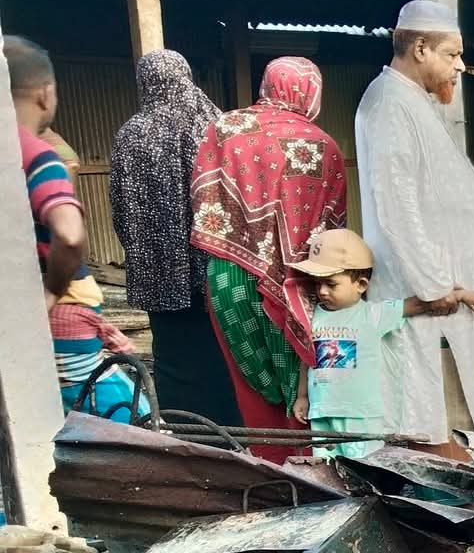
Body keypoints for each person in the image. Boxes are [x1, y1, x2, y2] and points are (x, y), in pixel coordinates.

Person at [356, 0, 474, 459]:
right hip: (435, 292)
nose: (461, 66)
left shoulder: (409, 100)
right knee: (437, 410)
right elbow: (397, 206)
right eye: (452, 54)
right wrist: (435, 285)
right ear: (419, 48)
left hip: (456, 284)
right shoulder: (388, 106)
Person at [190, 55, 345, 453]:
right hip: (303, 282)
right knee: (316, 378)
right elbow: (332, 233)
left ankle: (268, 471)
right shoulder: (324, 146)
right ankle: (317, 470)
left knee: (250, 390)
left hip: (229, 275)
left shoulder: (225, 128)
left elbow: (202, 199)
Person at [7, 35, 147, 422]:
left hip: (18, 321)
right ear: (45, 93)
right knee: (123, 415)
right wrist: (50, 292)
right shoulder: (33, 154)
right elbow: (69, 234)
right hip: (60, 317)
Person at [112, 50, 236, 425]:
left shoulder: (130, 134)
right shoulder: (207, 125)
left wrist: (143, 253)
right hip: (208, 271)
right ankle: (228, 435)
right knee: (219, 358)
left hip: (158, 276)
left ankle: (184, 435)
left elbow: (120, 209)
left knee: (173, 357)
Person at [285, 228, 474, 459]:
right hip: (322, 413)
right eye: (318, 284)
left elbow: (418, 305)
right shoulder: (312, 316)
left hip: (361, 415)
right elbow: (307, 357)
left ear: (360, 285)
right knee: (325, 470)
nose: (322, 291)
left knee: (365, 469)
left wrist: (458, 296)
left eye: (331, 284)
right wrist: (303, 397)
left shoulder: (372, 315)